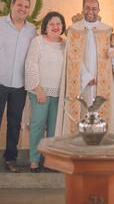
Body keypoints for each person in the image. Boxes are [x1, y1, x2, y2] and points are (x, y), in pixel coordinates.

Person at [0, 0, 36, 174]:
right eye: (20, 5)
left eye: (26, 6)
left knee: (14, 123)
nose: (23, 9)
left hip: (20, 85)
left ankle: (11, 159)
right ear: (12, 6)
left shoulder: (31, 29)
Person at [55, 0, 114, 136]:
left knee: (98, 112)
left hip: (101, 81)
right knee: (82, 111)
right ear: (83, 9)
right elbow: (72, 57)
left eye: (94, 8)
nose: (90, 11)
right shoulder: (74, 30)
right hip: (80, 81)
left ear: (99, 10)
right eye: (87, 8)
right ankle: (79, 147)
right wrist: (87, 76)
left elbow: (112, 53)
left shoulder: (106, 30)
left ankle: (98, 147)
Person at [24, 12, 66, 173]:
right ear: (46, 27)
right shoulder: (38, 42)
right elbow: (31, 64)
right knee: (37, 125)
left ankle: (51, 160)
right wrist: (37, 88)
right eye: (52, 24)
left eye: (59, 24)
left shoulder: (66, 44)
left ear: (62, 26)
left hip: (59, 92)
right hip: (40, 91)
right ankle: (34, 160)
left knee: (55, 127)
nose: (56, 27)